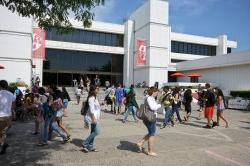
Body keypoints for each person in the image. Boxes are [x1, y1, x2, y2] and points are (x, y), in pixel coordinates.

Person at [137, 87, 161, 157]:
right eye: (156, 92)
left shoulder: (149, 98)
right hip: (150, 118)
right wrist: (159, 105)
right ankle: (150, 151)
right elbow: (153, 107)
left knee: (151, 132)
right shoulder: (149, 98)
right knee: (152, 134)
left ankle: (140, 142)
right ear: (153, 92)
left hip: (149, 117)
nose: (157, 93)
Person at [82, 85, 101, 153]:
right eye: (97, 88)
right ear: (93, 90)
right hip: (92, 118)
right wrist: (94, 119)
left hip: (95, 118)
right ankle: (85, 143)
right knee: (97, 132)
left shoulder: (95, 97)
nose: (98, 90)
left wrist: (101, 103)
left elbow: (96, 107)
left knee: (93, 132)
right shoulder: (91, 98)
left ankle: (90, 146)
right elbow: (91, 109)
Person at [0, 80, 16, 155]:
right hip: (8, 116)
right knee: (3, 132)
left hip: (1, 116)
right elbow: (13, 106)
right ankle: (3, 145)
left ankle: (3, 145)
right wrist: (13, 114)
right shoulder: (11, 94)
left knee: (2, 132)